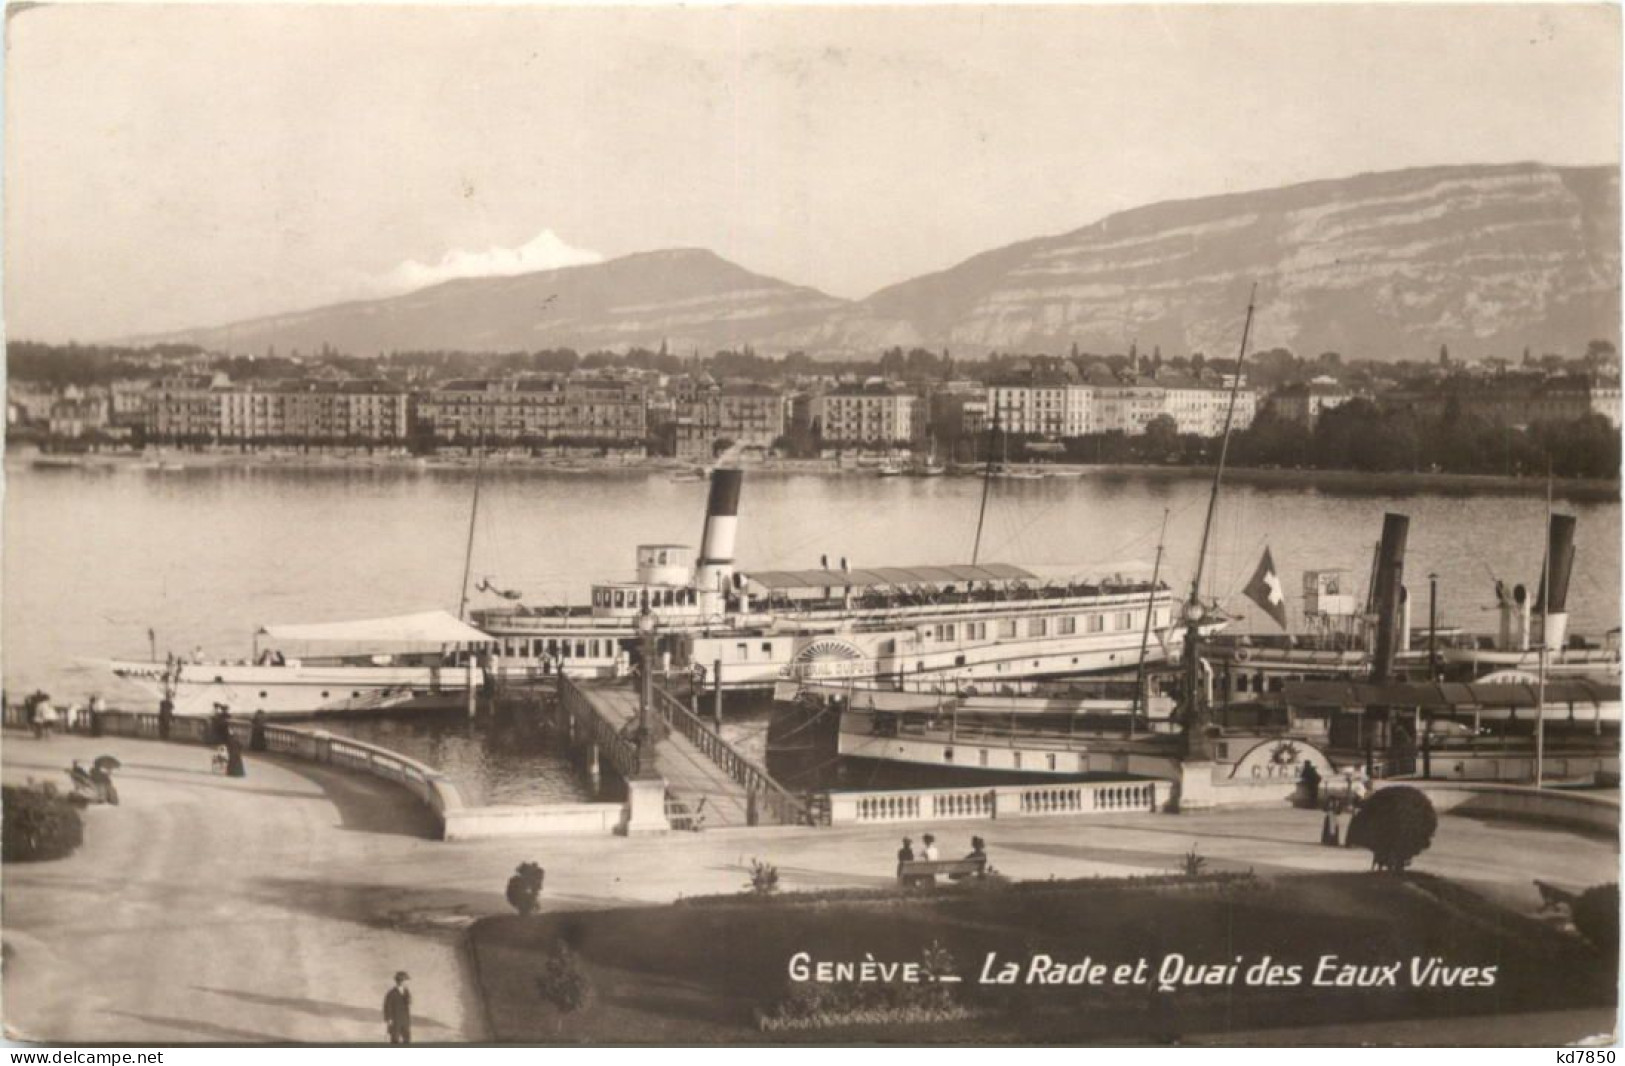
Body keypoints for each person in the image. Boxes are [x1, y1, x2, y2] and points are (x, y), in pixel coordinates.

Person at [383, 971, 412, 1044]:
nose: (406, 982)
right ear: (400, 981)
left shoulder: (406, 991)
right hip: (395, 1020)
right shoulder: (391, 993)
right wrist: (389, 1019)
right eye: (405, 980)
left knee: (407, 1039)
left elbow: (408, 1003)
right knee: (395, 1039)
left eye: (406, 980)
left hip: (405, 1020)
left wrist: (408, 999)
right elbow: (387, 1007)